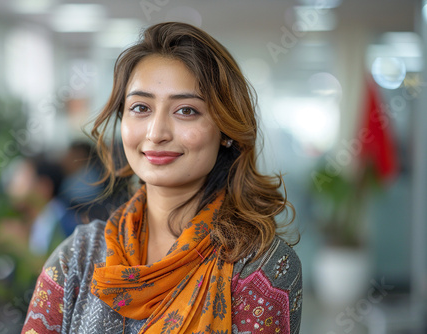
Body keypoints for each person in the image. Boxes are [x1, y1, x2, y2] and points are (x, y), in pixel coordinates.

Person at [22, 22, 302, 333]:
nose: (156, 134)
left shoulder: (259, 267)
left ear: (225, 130)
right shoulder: (78, 258)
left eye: (186, 111)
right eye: (140, 107)